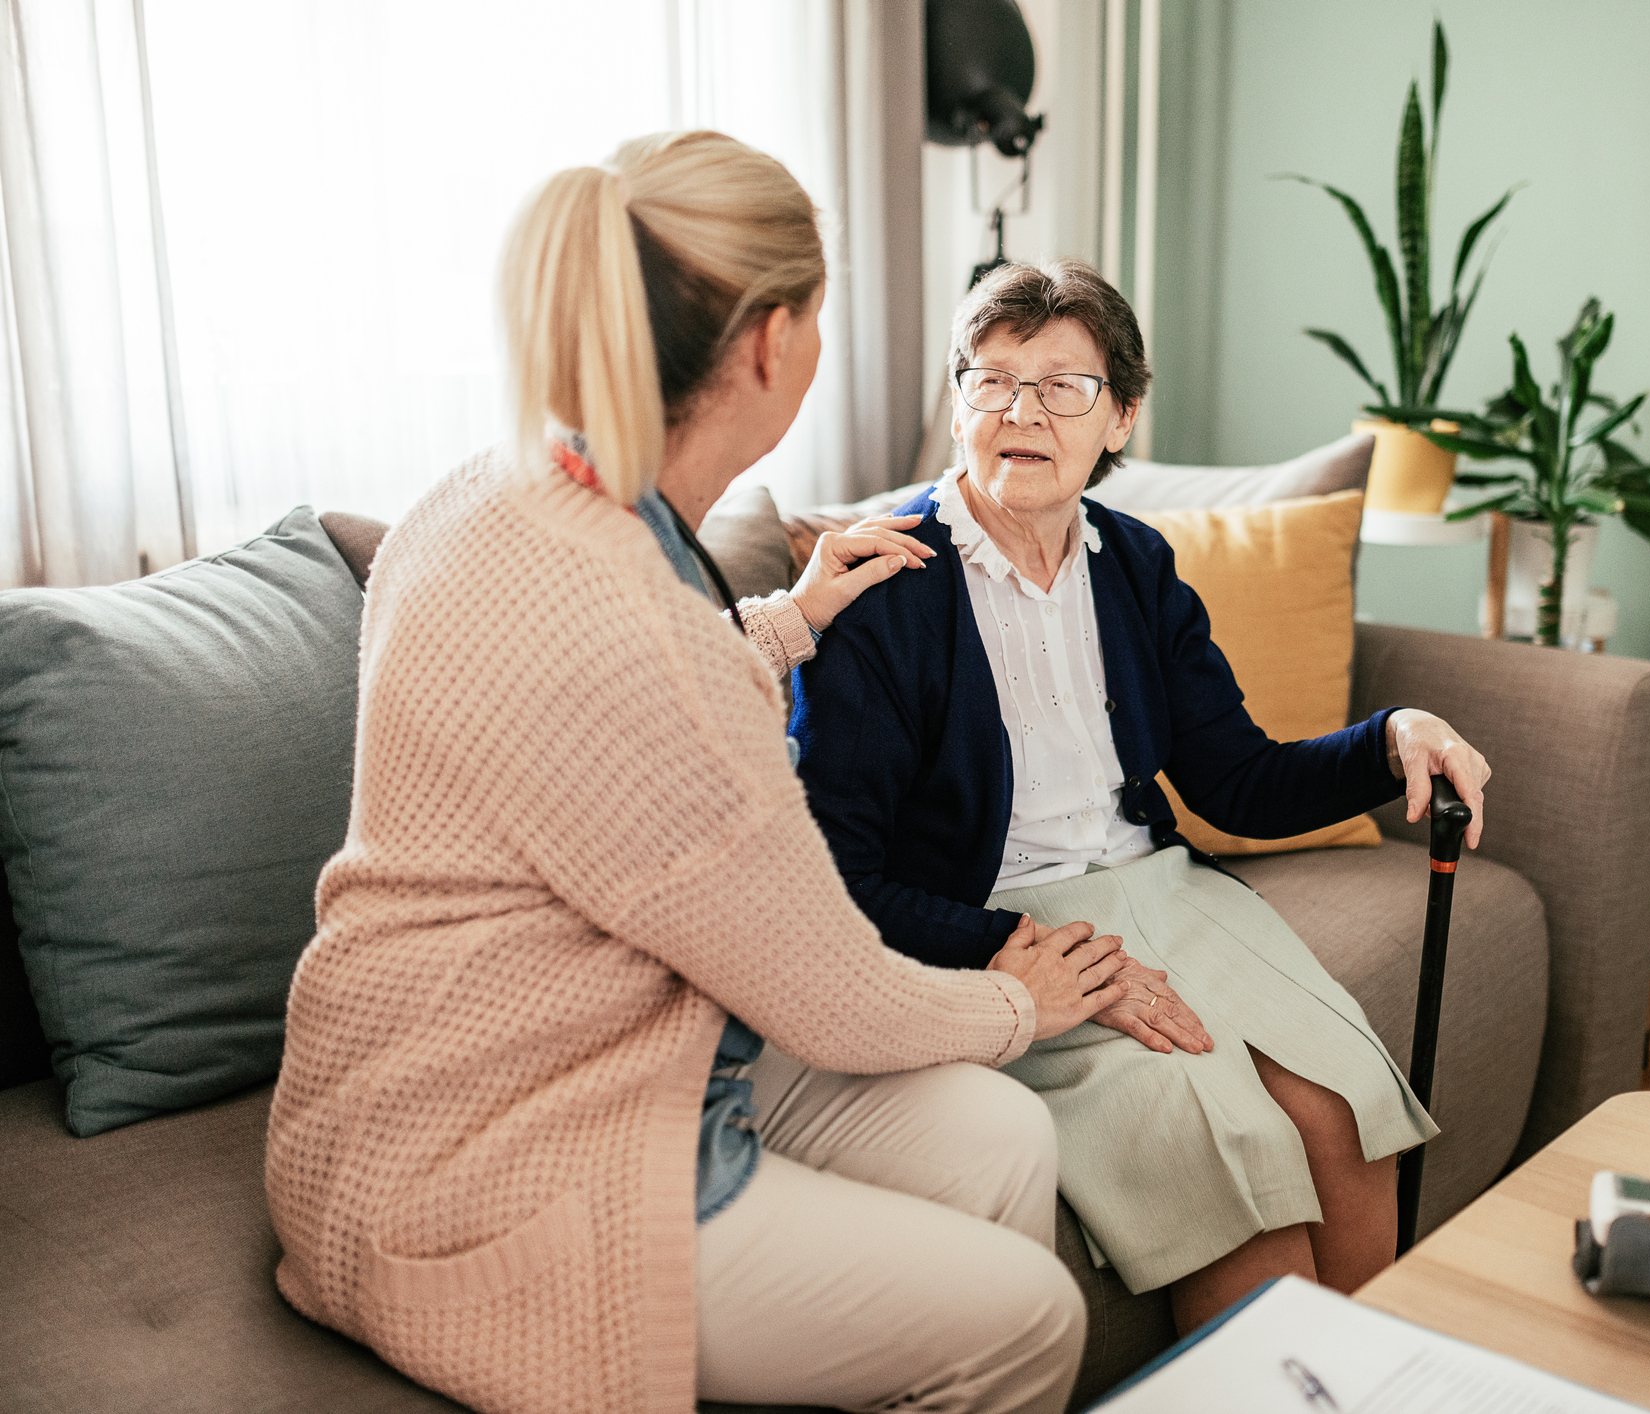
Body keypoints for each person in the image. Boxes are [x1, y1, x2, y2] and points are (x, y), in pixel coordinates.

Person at [263, 135, 1129, 1414]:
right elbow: (833, 994)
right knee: (1032, 1319)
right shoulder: (640, 633)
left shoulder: (486, 494)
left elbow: (585, 735)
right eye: (821, 315)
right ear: (773, 343)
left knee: (1001, 1133)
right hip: (497, 1160)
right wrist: (1022, 1002)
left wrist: (784, 623)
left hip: (456, 1070)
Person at [791, 258, 1494, 1333]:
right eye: (993, 380)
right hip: (1005, 930)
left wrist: (1391, 736)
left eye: (1063, 387)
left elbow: (1237, 780)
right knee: (1230, 1160)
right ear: (959, 401)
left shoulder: (1134, 564)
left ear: (1119, 417)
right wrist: (1014, 948)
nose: (1023, 412)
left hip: (1167, 890)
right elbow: (838, 874)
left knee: (1340, 1109)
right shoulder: (883, 582)